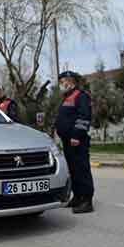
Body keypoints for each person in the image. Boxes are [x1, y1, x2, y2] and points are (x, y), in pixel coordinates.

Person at [55, 71, 94, 213]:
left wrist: (76, 136)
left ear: (71, 81)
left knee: (81, 170)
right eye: (60, 82)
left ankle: (86, 201)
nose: (61, 85)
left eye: (63, 81)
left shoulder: (81, 96)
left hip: (77, 141)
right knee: (72, 170)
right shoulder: (66, 98)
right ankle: (77, 197)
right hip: (67, 141)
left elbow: (84, 117)